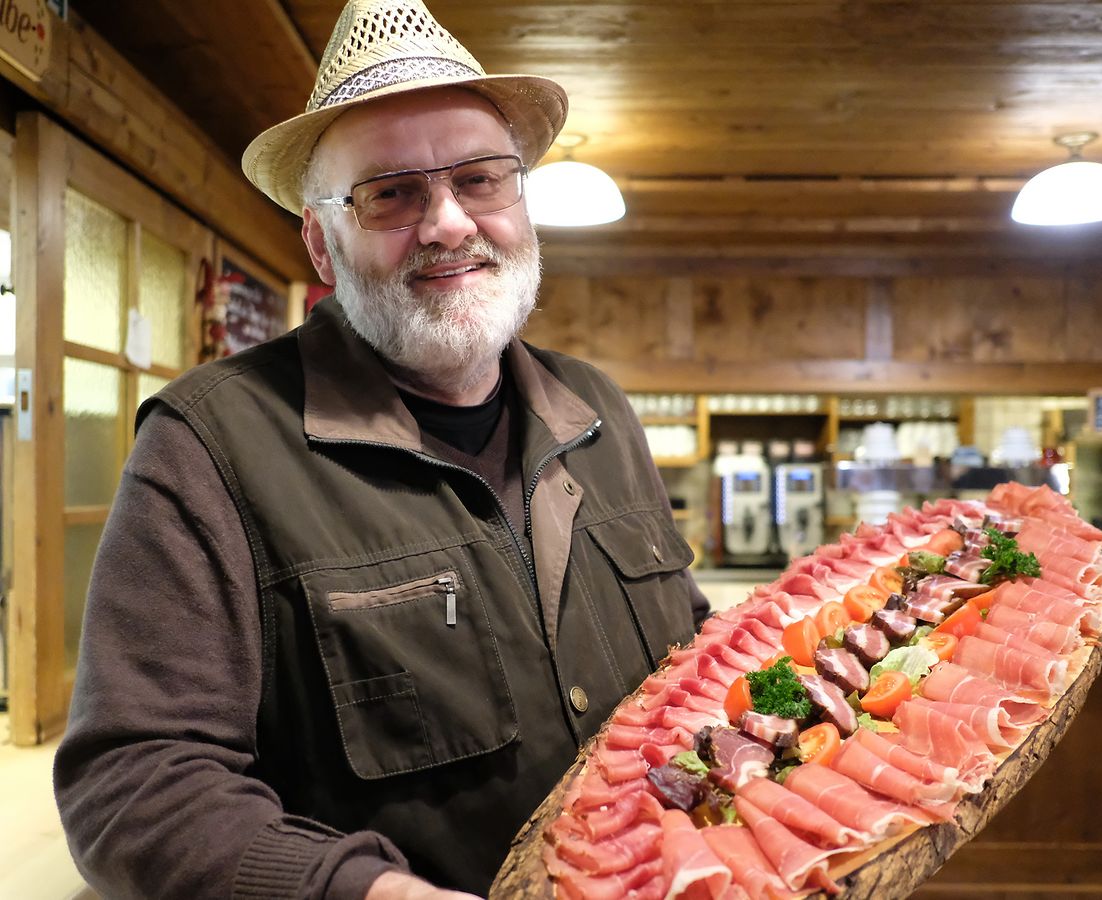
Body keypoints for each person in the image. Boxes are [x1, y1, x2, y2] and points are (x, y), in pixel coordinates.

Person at [53, 2, 708, 898]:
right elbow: (133, 786)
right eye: (391, 193)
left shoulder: (598, 407)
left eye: (480, 179)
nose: (448, 223)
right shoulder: (208, 446)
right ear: (321, 243)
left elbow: (692, 657)